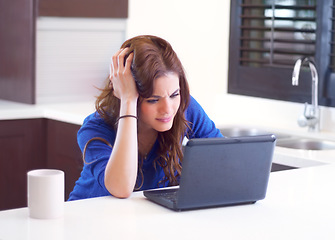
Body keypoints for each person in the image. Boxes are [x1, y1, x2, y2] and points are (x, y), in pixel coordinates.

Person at [68, 35, 223, 201]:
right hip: (90, 219)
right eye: (153, 100)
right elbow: (121, 188)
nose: (168, 109)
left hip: (146, 221)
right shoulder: (96, 127)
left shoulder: (185, 108)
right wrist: (128, 100)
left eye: (174, 94)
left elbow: (225, 159)